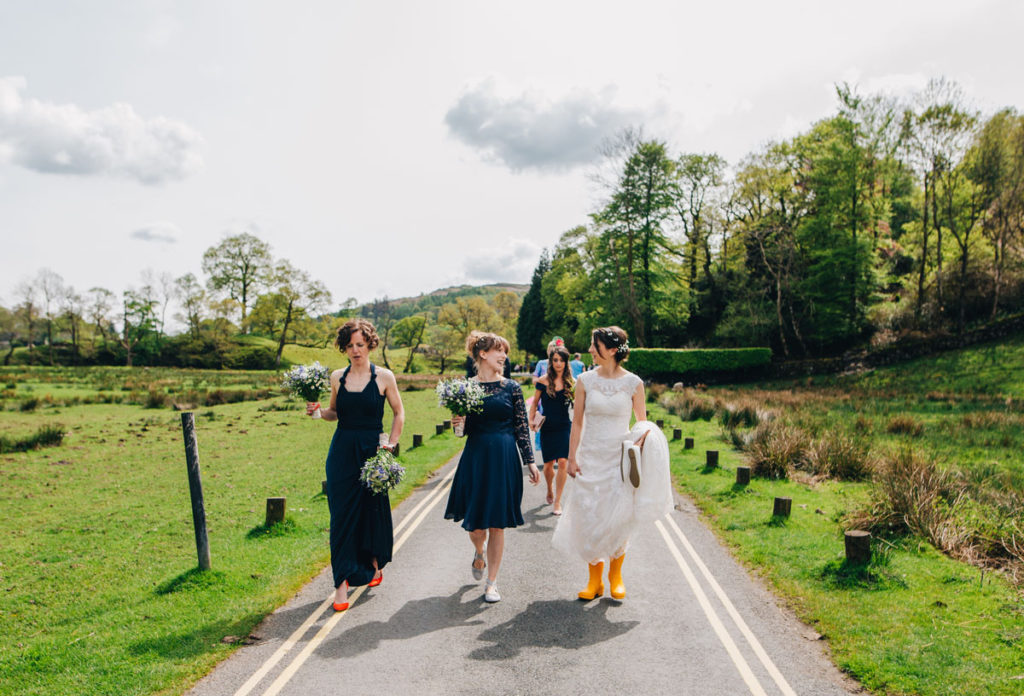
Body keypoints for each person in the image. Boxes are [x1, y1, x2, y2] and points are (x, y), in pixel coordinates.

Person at [552, 326, 672, 601]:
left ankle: (615, 576)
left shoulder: (634, 383)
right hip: (590, 457)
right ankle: (594, 581)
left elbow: (642, 423)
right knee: (590, 515)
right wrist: (571, 457)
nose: (591, 350)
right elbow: (578, 421)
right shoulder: (584, 380)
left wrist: (642, 443)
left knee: (619, 517)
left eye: (596, 346)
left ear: (613, 350)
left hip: (619, 460)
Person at [307, 319, 405, 612]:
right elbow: (334, 413)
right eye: (349, 345)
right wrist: (317, 413)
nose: (355, 350)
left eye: (360, 344)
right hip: (342, 452)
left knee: (370, 513)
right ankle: (341, 585)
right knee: (340, 516)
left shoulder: (384, 377)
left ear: (370, 344)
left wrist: (391, 445)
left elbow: (399, 413)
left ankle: (373, 565)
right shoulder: (337, 377)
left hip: (373, 452)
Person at [445, 331, 541, 603]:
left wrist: (530, 461)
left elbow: (522, 427)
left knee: (497, 524)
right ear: (483, 354)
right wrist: (457, 422)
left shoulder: (511, 388)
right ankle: (479, 551)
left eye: (506, 352)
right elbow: (459, 434)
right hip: (476, 458)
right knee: (477, 527)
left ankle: (492, 583)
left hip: (504, 459)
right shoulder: (466, 388)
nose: (504, 357)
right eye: (500, 351)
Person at [528, 344, 574, 516]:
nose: (558, 363)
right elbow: (534, 403)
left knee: (563, 462)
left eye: (562, 360)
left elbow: (579, 405)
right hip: (547, 427)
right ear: (551, 361)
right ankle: (549, 488)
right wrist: (531, 419)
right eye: (555, 360)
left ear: (566, 362)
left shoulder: (572, 383)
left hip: (564, 426)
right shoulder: (543, 381)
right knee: (548, 466)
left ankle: (558, 501)